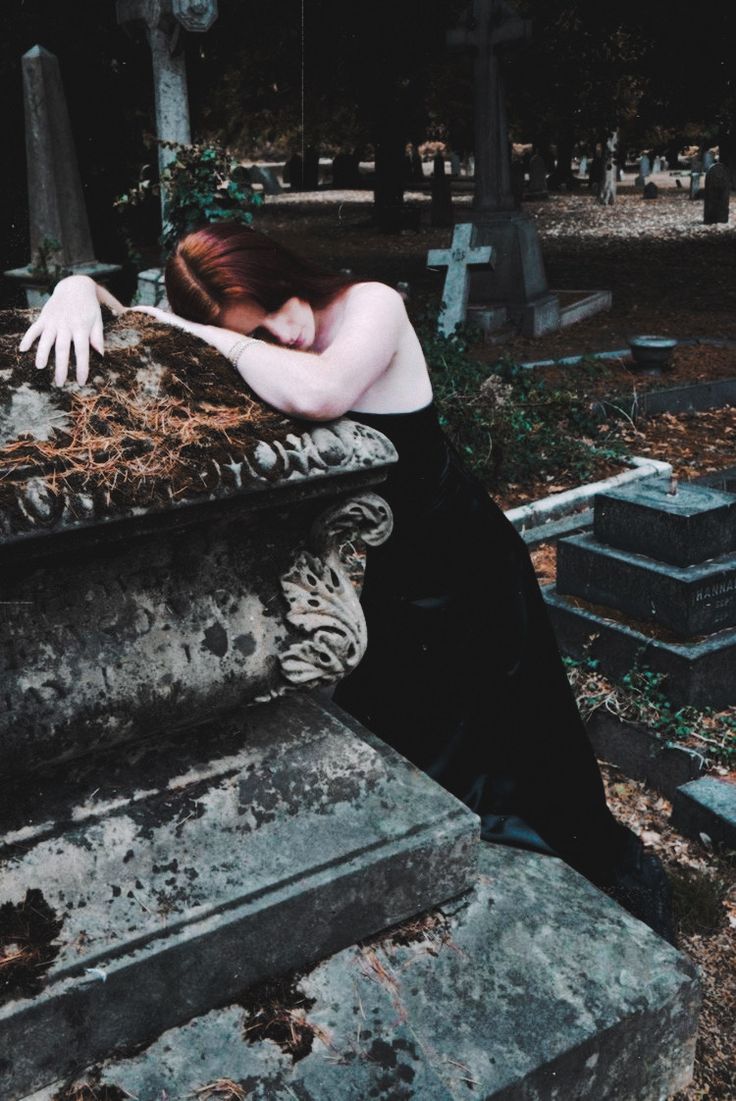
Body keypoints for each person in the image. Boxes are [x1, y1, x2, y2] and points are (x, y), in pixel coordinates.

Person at [20, 222, 674, 941]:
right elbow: (146, 327)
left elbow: (324, 393)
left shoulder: (372, 305)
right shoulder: (269, 337)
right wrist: (78, 288)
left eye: (275, 311)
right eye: (255, 333)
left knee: (530, 763)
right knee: (410, 773)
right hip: (376, 584)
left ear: (281, 271)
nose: (283, 335)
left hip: (464, 569)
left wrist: (226, 340)